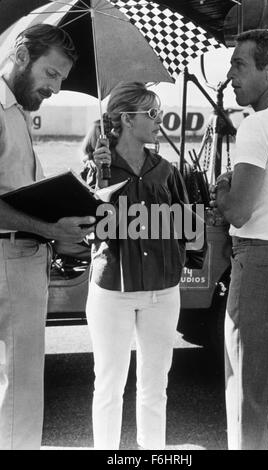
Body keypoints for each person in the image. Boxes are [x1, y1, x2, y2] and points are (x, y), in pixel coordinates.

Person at [85, 81, 203, 450]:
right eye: (152, 113)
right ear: (126, 119)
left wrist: (177, 252)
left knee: (155, 387)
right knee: (108, 385)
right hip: (111, 291)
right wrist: (97, 178)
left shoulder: (166, 169)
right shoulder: (98, 167)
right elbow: (86, 225)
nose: (160, 120)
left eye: (160, 112)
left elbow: (190, 228)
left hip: (162, 291)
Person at [0, 24, 95, 450]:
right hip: (8, 259)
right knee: (19, 391)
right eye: (52, 74)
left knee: (17, 385)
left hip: (20, 257)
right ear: (21, 55)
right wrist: (49, 228)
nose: (56, 88)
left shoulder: (15, 112)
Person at [211, 29, 268, 450]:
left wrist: (222, 191)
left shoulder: (258, 126)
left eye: (238, 64)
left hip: (263, 262)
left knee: (247, 395)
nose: (230, 75)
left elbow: (239, 211)